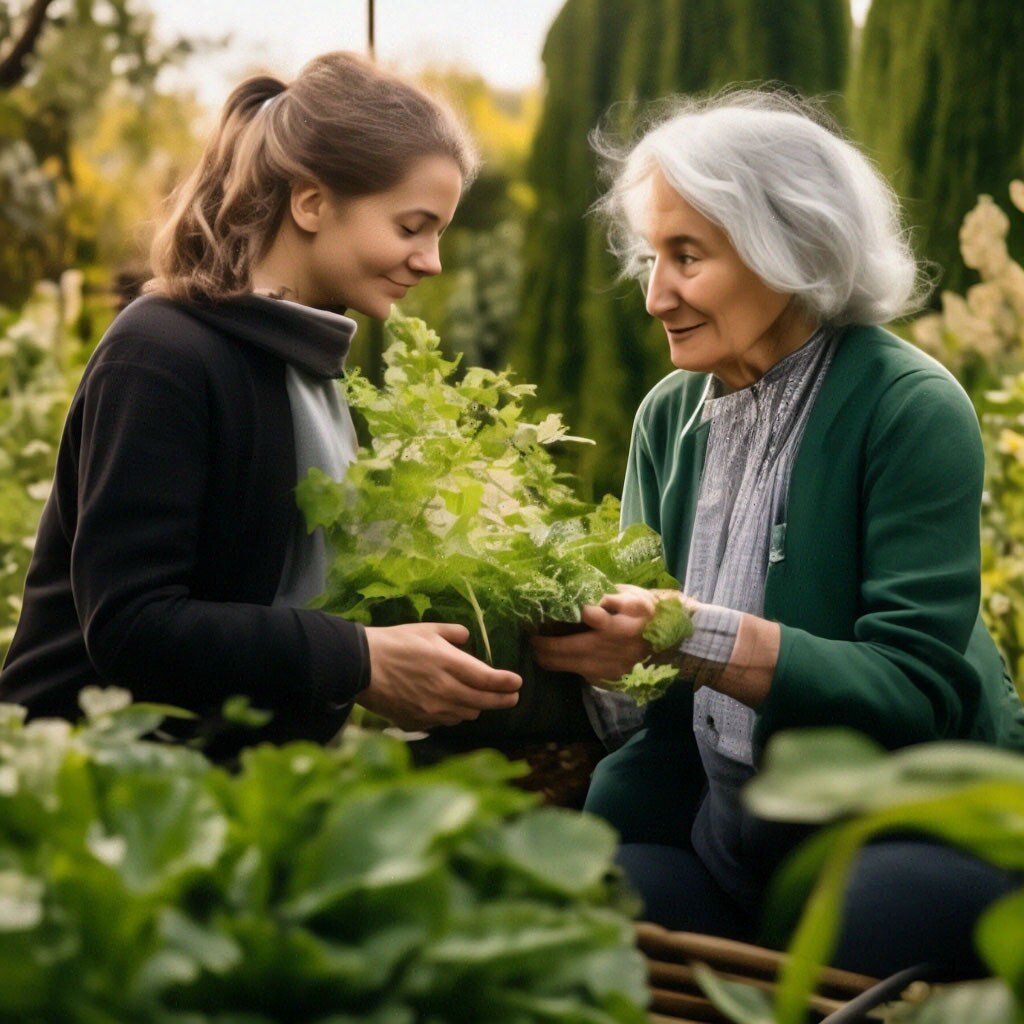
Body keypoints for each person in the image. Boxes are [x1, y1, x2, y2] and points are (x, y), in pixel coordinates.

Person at [531, 88, 1024, 979]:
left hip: (906, 822)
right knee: (578, 919)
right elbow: (654, 679)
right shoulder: (668, 415)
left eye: (687, 256)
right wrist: (584, 641)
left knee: (845, 934)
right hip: (724, 829)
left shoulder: (909, 407)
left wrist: (691, 634)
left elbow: (915, 688)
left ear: (788, 249)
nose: (654, 295)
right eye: (652, 256)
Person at [0, 52, 522, 749]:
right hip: (95, 797)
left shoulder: (309, 362)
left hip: (233, 784)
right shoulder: (160, 355)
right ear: (310, 201)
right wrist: (357, 660)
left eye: (437, 233)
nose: (430, 260)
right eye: (410, 227)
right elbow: (131, 627)